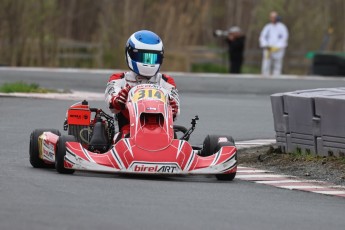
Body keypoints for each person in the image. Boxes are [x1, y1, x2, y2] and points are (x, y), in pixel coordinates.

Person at [105, 30, 180, 138]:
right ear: (130, 54)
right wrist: (119, 100)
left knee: (174, 137)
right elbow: (112, 106)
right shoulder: (119, 79)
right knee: (124, 136)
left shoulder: (166, 81)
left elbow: (176, 112)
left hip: (161, 131)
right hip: (127, 132)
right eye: (143, 57)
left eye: (152, 58)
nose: (148, 62)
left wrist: (172, 108)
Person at [259, 11, 289, 76]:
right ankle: (265, 75)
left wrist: (278, 46)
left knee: (277, 63)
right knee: (266, 63)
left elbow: (284, 37)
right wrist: (265, 45)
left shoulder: (282, 27)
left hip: (278, 49)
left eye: (274, 17)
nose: (272, 19)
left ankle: (276, 75)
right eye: (271, 17)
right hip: (268, 49)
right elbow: (263, 36)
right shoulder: (267, 27)